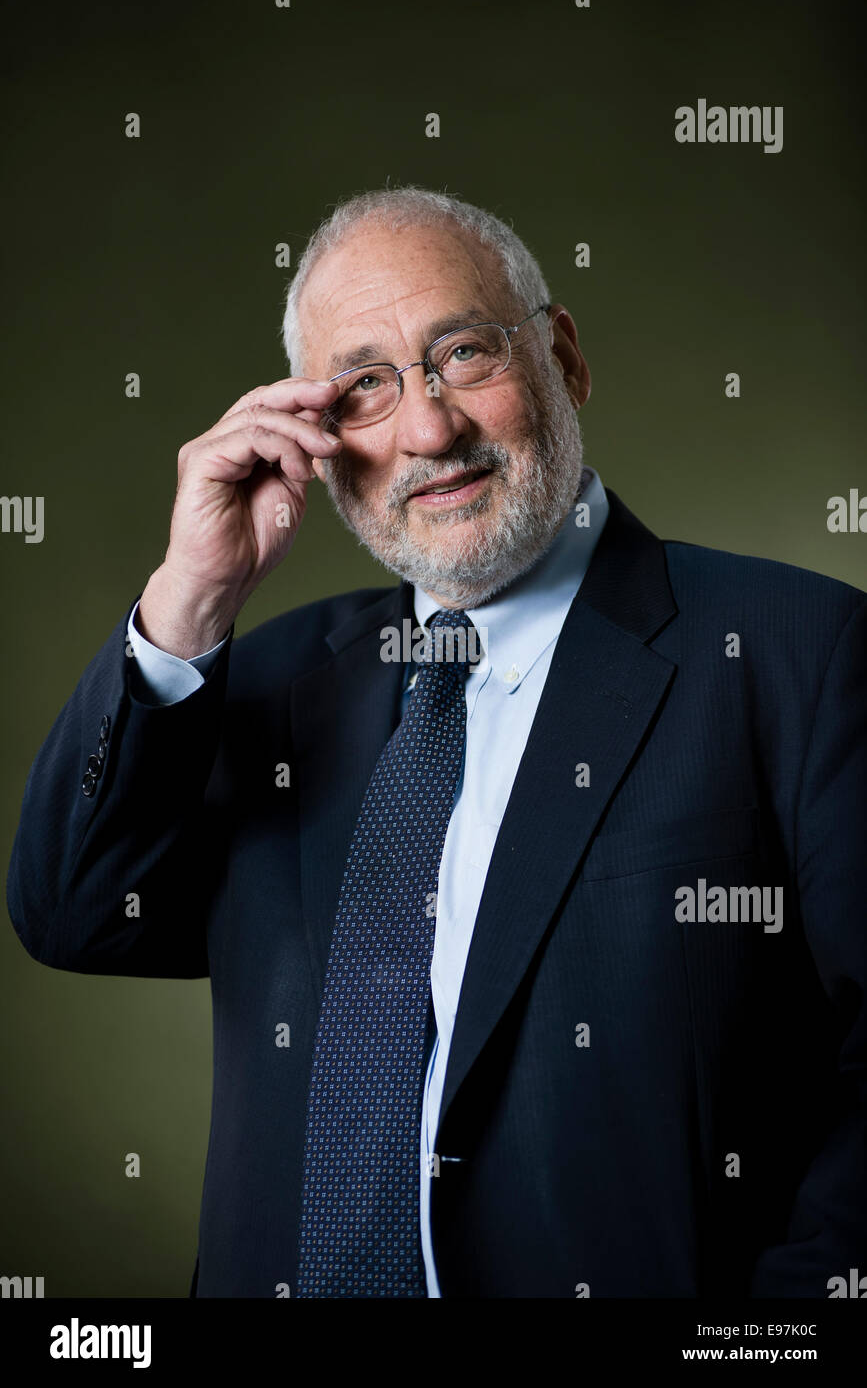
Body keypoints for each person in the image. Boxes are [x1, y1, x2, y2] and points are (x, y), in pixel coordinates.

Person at [7, 187, 866, 1299]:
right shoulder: (262, 687)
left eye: (463, 353)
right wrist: (188, 599)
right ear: (315, 434)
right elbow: (73, 910)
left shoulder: (798, 654)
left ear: (563, 357)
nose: (428, 429)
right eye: (366, 384)